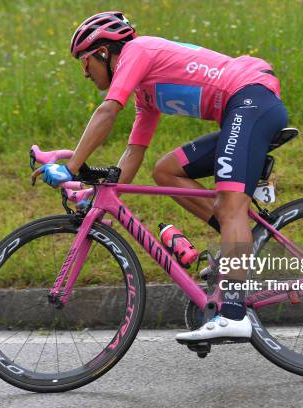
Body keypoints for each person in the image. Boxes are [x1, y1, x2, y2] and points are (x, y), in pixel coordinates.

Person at [37, 11, 288, 342]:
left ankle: (233, 315)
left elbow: (109, 110)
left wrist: (71, 168)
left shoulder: (137, 52)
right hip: (243, 107)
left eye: (84, 61)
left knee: (230, 206)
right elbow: (134, 152)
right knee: (165, 171)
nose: (84, 72)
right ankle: (237, 247)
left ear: (103, 53)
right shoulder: (146, 92)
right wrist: (99, 194)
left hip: (250, 99)